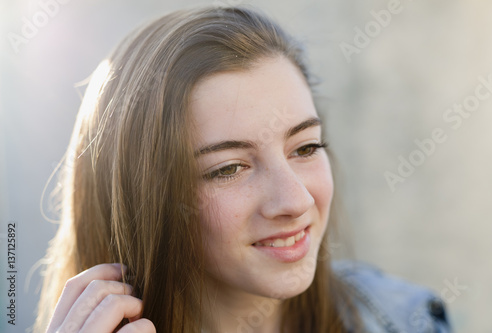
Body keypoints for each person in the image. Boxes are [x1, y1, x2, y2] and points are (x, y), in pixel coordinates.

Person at [35, 5, 452, 333]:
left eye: (305, 147)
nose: (296, 200)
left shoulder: (407, 319)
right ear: (140, 196)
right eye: (229, 168)